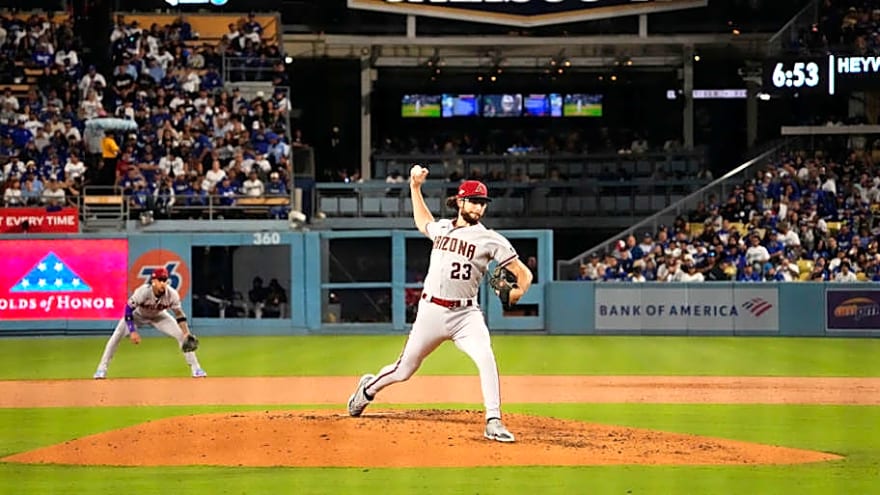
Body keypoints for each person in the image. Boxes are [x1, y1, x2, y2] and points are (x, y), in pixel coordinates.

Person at [347, 169, 533, 443]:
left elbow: (524, 273)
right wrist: (414, 187)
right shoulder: (443, 228)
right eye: (473, 201)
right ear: (460, 202)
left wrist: (517, 292)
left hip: (466, 315)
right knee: (404, 369)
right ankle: (367, 390)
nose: (479, 207)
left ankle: (493, 420)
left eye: (482, 202)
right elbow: (423, 222)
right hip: (431, 312)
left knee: (485, 356)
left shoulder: (491, 239)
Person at [93, 267, 206, 379]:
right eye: (160, 280)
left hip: (159, 316)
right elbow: (128, 310)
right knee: (116, 336)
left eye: (165, 280)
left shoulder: (172, 294)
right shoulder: (143, 291)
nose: (162, 283)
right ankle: (101, 369)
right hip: (138, 316)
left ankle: (196, 369)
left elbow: (179, 314)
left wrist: (186, 332)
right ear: (153, 281)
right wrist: (132, 331)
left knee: (182, 336)